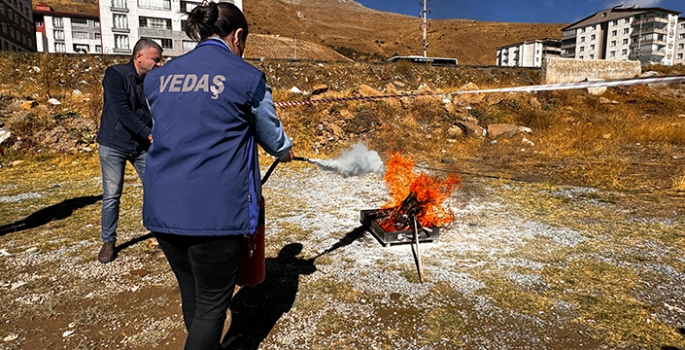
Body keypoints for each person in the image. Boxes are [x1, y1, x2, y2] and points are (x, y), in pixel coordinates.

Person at [142, 2, 294, 349]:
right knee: (212, 306)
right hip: (214, 213)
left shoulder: (159, 77)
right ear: (237, 36)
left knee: (192, 294)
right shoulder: (247, 77)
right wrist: (285, 149)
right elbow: (270, 134)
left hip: (163, 207)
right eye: (244, 43)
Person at [96, 38, 163, 264]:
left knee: (155, 187)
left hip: (141, 146)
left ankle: (161, 232)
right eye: (156, 59)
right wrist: (149, 133)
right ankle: (108, 241)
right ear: (139, 57)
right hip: (114, 143)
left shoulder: (152, 80)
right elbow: (122, 111)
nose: (159, 63)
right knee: (112, 194)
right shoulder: (115, 74)